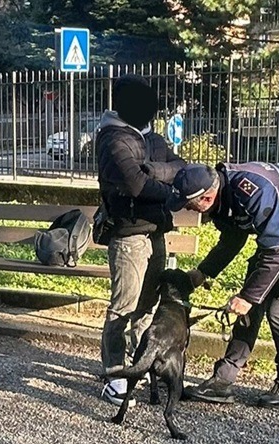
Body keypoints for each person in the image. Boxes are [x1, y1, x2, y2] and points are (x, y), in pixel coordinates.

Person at [171, 162, 279, 407]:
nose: (188, 209)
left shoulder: (253, 188)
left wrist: (248, 297)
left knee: (278, 311)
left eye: (189, 204)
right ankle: (223, 380)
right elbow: (232, 238)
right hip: (276, 241)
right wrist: (203, 272)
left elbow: (278, 253)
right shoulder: (222, 194)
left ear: (206, 198)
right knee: (250, 309)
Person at [94, 74, 181, 406]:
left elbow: (180, 166)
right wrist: (171, 189)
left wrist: (155, 170)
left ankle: (137, 363)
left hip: (157, 230)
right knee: (123, 307)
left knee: (146, 307)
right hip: (129, 234)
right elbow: (135, 185)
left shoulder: (151, 138)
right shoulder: (113, 139)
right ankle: (115, 374)